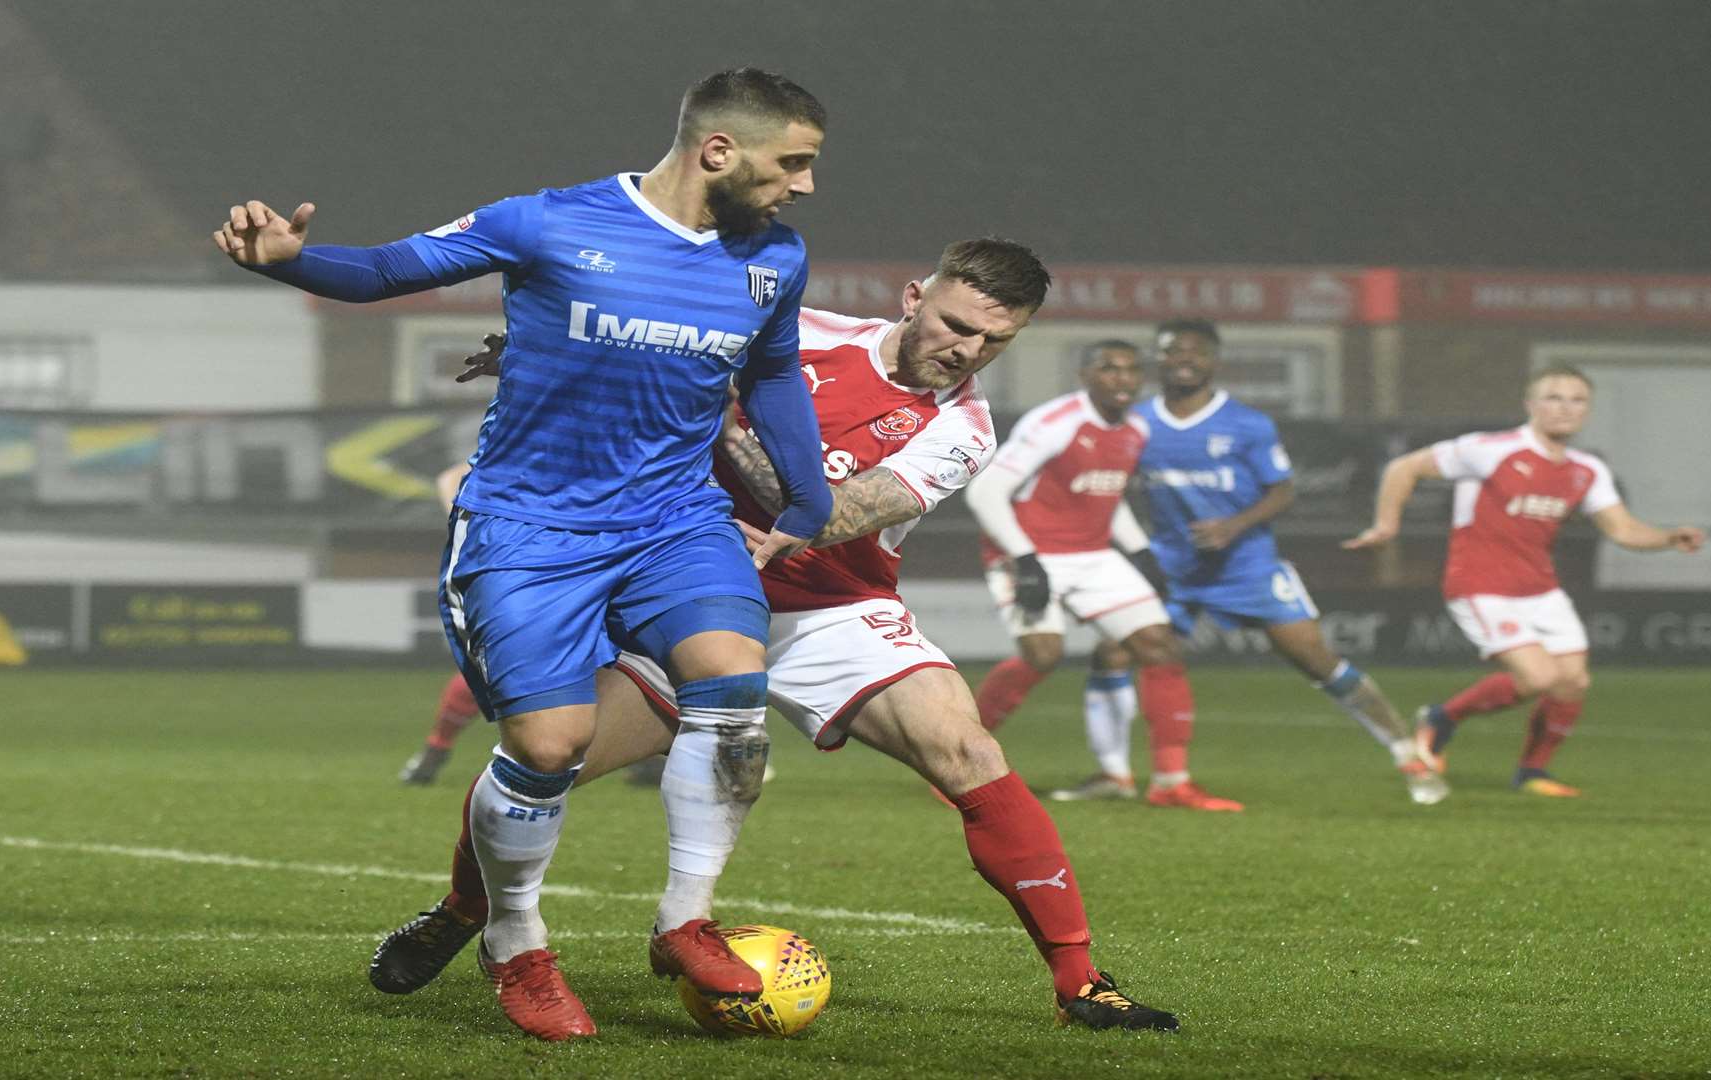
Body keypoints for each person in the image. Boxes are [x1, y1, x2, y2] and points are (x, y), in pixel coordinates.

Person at [374, 238, 1181, 1032]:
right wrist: (554, 354)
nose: (967, 351)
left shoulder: (964, 429)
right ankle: (463, 913)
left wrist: (714, 414)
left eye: (995, 341)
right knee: (547, 758)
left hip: (831, 609)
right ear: (914, 298)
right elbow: (649, 356)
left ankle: (1081, 980)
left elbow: (828, 515)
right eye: (956, 324)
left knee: (969, 753)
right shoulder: (806, 334)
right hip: (685, 598)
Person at [216, 68, 835, 1041]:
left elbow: (771, 372)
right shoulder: (546, 223)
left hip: (675, 519)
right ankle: (515, 938)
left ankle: (685, 918)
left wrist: (808, 495)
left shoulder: (773, 258)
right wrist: (289, 261)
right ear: (719, 150)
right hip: (529, 528)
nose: (802, 185)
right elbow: (385, 272)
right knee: (549, 746)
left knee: (731, 685)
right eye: (791, 163)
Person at [1121, 319, 1447, 805]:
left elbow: (1284, 491)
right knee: (1130, 656)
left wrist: (1233, 526)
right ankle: (1153, 777)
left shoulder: (1248, 424)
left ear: (1215, 362)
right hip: (1172, 569)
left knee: (1317, 660)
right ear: (1157, 360)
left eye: (1196, 352)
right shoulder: (1136, 423)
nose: (1184, 360)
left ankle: (1407, 751)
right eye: (1172, 352)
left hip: (1246, 566)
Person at [1344, 364, 1705, 796]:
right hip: (1480, 583)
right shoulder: (1490, 450)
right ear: (1530, 405)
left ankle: (1532, 772)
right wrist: (1386, 526)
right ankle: (1443, 719)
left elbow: (1623, 530)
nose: (1565, 408)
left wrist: (1667, 537)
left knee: (1572, 682)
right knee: (1537, 678)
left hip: (1540, 588)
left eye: (1577, 400)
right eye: (1553, 397)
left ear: (1587, 411)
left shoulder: (1585, 469)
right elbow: (1404, 468)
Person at [966, 341, 1241, 810]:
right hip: (1030, 550)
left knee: (1160, 646)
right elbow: (986, 491)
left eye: (1132, 371)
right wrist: (1025, 560)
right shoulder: (1055, 423)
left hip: (1093, 555)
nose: (1124, 379)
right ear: (1085, 375)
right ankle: (957, 761)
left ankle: (1171, 781)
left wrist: (1139, 552)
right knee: (1043, 655)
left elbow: (1103, 496)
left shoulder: (1134, 428)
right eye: (1109, 369)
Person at [398, 463, 478, 786]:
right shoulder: (514, 444)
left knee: (622, 661)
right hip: (515, 572)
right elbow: (450, 477)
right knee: (484, 668)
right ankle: (437, 747)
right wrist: (465, 523)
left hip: (589, 568)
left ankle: (641, 755)